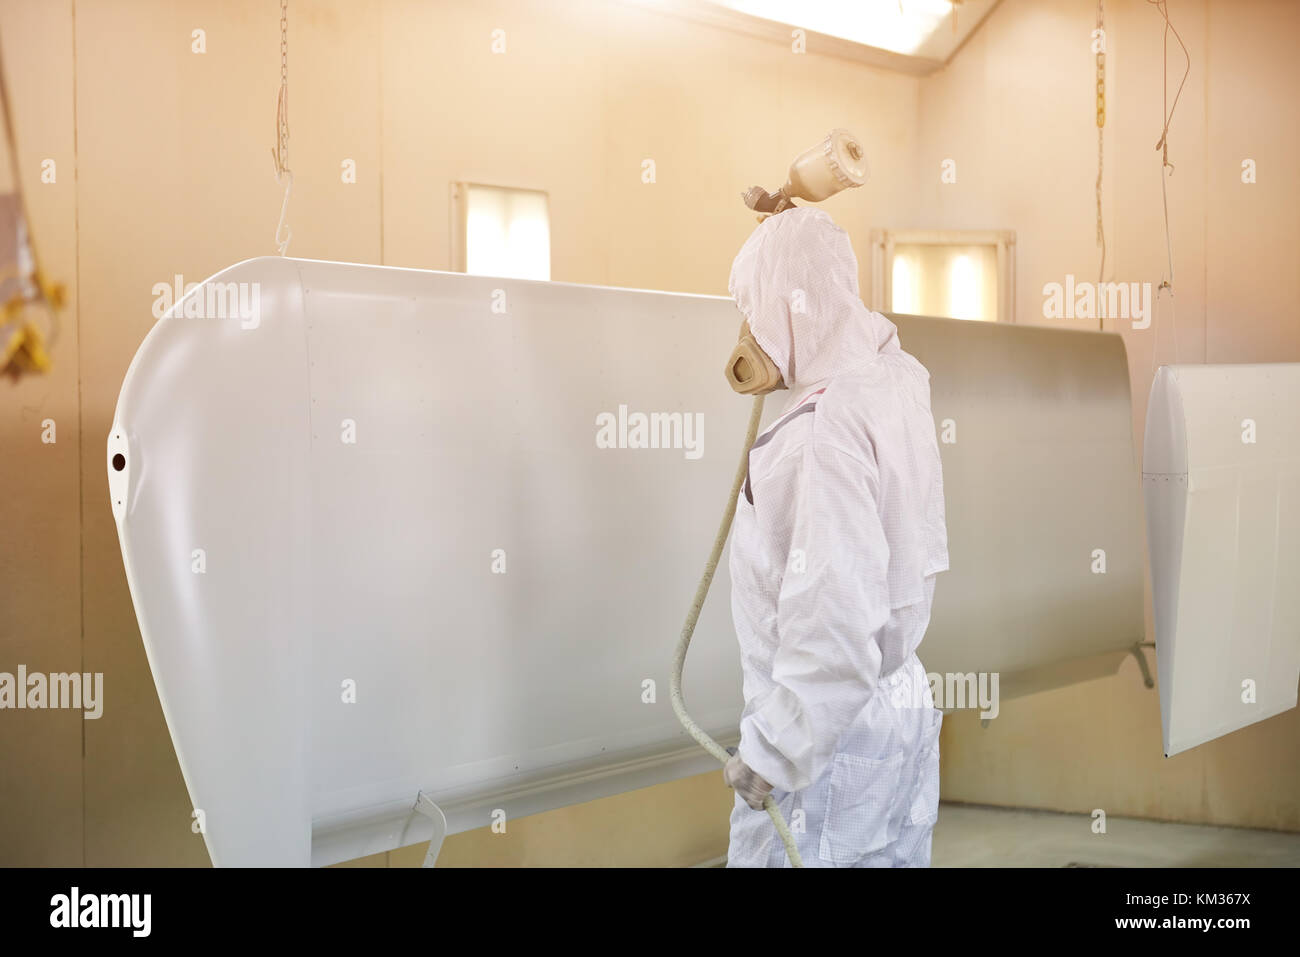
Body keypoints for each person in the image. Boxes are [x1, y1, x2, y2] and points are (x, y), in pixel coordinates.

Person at [721, 206, 949, 868]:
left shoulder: (821, 429)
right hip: (897, 709)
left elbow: (836, 619)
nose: (749, 332)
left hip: (825, 740)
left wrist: (770, 755)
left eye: (753, 307)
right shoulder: (896, 379)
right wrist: (792, 242)